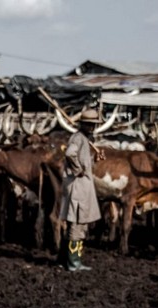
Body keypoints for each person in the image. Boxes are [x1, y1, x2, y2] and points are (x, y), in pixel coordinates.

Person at [60, 107, 102, 272]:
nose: (92, 127)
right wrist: (78, 170)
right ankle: (74, 263)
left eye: (93, 125)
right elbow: (70, 154)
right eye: (89, 124)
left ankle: (66, 260)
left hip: (82, 187)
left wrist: (94, 160)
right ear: (82, 124)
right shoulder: (78, 138)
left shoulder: (82, 138)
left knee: (77, 224)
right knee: (77, 225)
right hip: (78, 187)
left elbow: (83, 161)